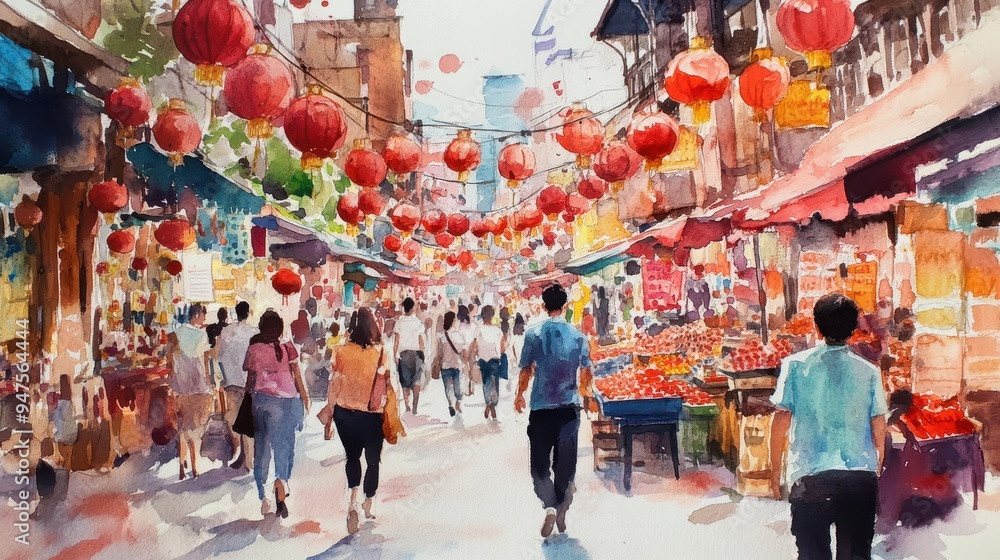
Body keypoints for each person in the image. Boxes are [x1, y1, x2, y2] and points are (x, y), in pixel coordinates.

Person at [772, 294, 887, 560]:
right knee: (856, 554)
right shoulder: (868, 371)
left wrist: (775, 470)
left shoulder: (795, 366)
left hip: (809, 476)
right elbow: (878, 421)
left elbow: (781, 421)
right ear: (853, 329)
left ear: (817, 326)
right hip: (859, 476)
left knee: (812, 554)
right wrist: (878, 461)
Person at [515, 284, 593, 537]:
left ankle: (550, 506)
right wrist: (587, 395)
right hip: (570, 408)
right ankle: (560, 509)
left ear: (543, 305)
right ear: (566, 306)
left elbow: (525, 369)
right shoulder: (579, 336)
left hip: (541, 408)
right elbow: (586, 372)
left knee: (539, 465)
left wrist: (519, 395)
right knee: (565, 465)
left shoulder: (533, 334)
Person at [243, 311, 309, 518]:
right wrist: (305, 398)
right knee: (284, 446)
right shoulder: (288, 348)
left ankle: (263, 497)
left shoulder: (254, 349)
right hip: (286, 402)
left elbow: (250, 378)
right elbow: (296, 375)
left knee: (261, 448)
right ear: (280, 329)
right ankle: (281, 483)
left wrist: (248, 398)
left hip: (261, 402)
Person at [329, 308, 388, 534]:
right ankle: (368, 501)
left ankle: (352, 499)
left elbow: (334, 384)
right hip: (373, 413)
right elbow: (387, 385)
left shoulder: (340, 351)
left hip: (345, 413)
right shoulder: (381, 352)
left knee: (352, 457)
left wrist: (329, 412)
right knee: (373, 461)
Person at [167, 303, 215, 481]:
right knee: (196, 430)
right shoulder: (201, 335)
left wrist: (172, 383)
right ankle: (195, 468)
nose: (204, 318)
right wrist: (210, 383)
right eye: (203, 315)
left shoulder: (174, 335)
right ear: (197, 315)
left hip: (180, 388)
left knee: (182, 428)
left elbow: (170, 363)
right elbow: (205, 361)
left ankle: (181, 466)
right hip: (198, 387)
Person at [215, 301, 258, 470]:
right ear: (248, 313)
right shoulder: (254, 332)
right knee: (248, 421)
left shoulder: (226, 332)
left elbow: (218, 355)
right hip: (248, 383)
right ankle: (248, 459)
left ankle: (243, 456)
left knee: (235, 421)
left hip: (231, 382)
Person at [470, 305, 506, 420]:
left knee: (486, 382)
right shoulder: (497, 331)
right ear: (492, 315)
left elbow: (474, 347)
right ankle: (493, 405)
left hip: (482, 360)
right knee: (495, 382)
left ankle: (488, 403)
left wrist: (474, 356)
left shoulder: (478, 330)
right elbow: (502, 348)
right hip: (494, 359)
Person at [393, 297, 426, 414]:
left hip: (403, 354)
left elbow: (396, 341)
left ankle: (407, 405)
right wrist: (423, 353)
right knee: (416, 380)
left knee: (405, 381)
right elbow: (421, 339)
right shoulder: (417, 322)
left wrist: (395, 355)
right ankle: (415, 406)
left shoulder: (399, 322)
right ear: (412, 308)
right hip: (416, 353)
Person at [437, 311, 467, 417]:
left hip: (445, 365)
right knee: (458, 387)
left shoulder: (441, 335)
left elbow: (439, 352)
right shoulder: (458, 335)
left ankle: (450, 404)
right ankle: (458, 403)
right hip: (456, 365)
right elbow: (463, 351)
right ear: (454, 321)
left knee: (448, 387)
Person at [456, 305, 478, 396]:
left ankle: (466, 388)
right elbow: (475, 338)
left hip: (463, 348)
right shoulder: (473, 325)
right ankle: (471, 388)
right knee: (471, 367)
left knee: (464, 368)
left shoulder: (458, 326)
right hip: (471, 347)